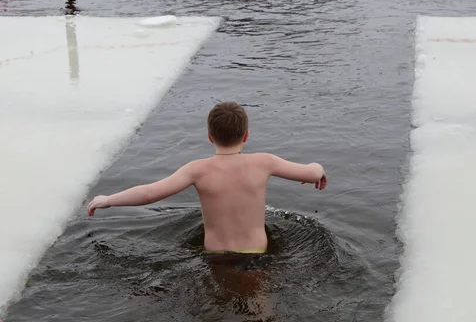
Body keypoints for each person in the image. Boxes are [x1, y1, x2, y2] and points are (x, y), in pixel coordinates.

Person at [87, 101, 327, 254]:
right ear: (246, 136)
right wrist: (318, 168)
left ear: (210, 137)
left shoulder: (197, 170)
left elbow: (150, 193)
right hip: (256, 253)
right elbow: (313, 172)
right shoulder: (264, 162)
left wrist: (108, 199)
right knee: (259, 308)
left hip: (215, 257)